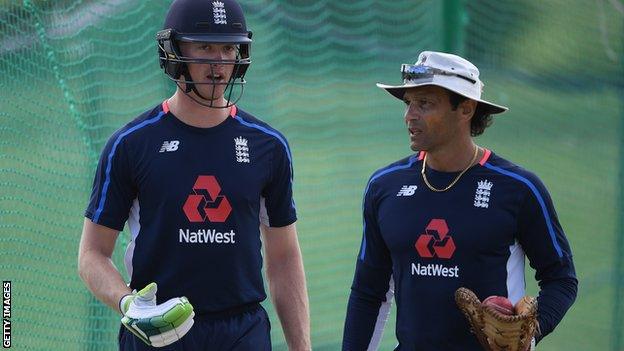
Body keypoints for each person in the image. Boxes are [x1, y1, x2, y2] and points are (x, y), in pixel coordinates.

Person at [77, 0, 311, 349]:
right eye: (204, 47)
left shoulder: (269, 146)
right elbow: (92, 254)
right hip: (156, 331)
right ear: (174, 52)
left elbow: (284, 257)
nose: (218, 64)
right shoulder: (130, 144)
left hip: (242, 332)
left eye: (228, 48)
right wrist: (129, 305)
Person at [342, 51, 577, 350]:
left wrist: (530, 334)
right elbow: (368, 292)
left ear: (466, 109)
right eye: (408, 103)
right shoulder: (383, 186)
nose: (409, 115)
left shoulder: (519, 189)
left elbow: (561, 278)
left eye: (424, 103)